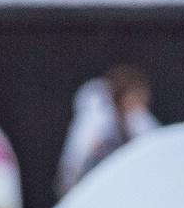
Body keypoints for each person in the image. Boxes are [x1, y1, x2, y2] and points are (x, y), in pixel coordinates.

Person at [54, 65, 156, 199]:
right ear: (124, 95)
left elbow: (153, 141)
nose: (140, 104)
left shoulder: (137, 119)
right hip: (92, 181)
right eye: (137, 97)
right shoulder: (98, 118)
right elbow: (79, 151)